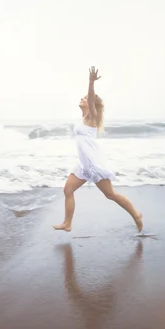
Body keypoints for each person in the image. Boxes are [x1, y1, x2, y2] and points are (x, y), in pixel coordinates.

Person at [53, 66, 143, 232]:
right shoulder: (83, 120)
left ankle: (136, 215)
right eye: (83, 97)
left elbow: (92, 101)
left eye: (85, 98)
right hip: (83, 165)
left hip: (93, 165)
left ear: (92, 104)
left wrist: (91, 83)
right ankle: (67, 223)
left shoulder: (91, 118)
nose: (82, 99)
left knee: (110, 195)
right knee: (68, 190)